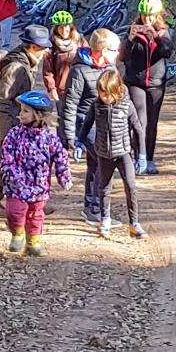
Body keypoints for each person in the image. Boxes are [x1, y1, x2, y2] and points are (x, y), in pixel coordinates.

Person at [0, 24, 52, 217]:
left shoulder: (27, 62)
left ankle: (34, 201)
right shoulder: (16, 66)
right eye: (43, 47)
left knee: (27, 157)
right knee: (7, 159)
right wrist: (16, 123)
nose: (46, 51)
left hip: (16, 114)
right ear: (32, 47)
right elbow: (5, 98)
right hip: (8, 116)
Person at [1, 90, 72, 257]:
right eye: (21, 110)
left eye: (25, 111)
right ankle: (17, 234)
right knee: (14, 211)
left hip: (39, 185)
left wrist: (64, 176)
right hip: (17, 185)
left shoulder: (49, 138)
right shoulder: (15, 134)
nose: (21, 114)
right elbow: (6, 155)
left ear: (38, 115)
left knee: (35, 214)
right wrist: (12, 174)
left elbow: (60, 156)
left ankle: (33, 242)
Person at [61, 28, 122, 223]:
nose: (117, 54)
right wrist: (71, 137)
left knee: (95, 164)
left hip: (105, 125)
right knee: (104, 162)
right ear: (102, 50)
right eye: (114, 50)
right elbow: (69, 104)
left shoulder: (111, 69)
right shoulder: (79, 71)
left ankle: (90, 206)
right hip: (85, 125)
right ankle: (97, 208)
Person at [80, 69, 147, 239]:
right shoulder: (97, 105)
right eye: (102, 94)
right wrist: (80, 142)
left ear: (117, 91)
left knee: (130, 186)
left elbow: (138, 129)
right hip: (103, 153)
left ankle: (134, 224)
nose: (105, 98)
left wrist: (142, 155)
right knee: (104, 188)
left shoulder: (126, 104)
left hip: (123, 152)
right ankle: (105, 220)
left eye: (108, 94)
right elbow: (87, 123)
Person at [120, 0, 174, 175]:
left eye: (151, 16)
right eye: (144, 16)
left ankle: (149, 158)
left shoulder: (164, 32)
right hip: (135, 81)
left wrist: (155, 38)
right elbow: (123, 56)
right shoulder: (133, 30)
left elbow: (167, 52)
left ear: (157, 16)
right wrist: (130, 39)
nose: (147, 20)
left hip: (156, 83)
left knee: (152, 122)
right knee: (140, 120)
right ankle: (139, 157)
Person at [42, 11, 87, 111]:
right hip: (62, 90)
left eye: (66, 26)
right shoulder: (51, 46)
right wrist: (51, 89)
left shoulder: (80, 41)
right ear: (56, 29)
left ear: (71, 27)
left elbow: (89, 61)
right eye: (60, 27)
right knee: (63, 121)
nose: (64, 30)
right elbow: (47, 71)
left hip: (80, 88)